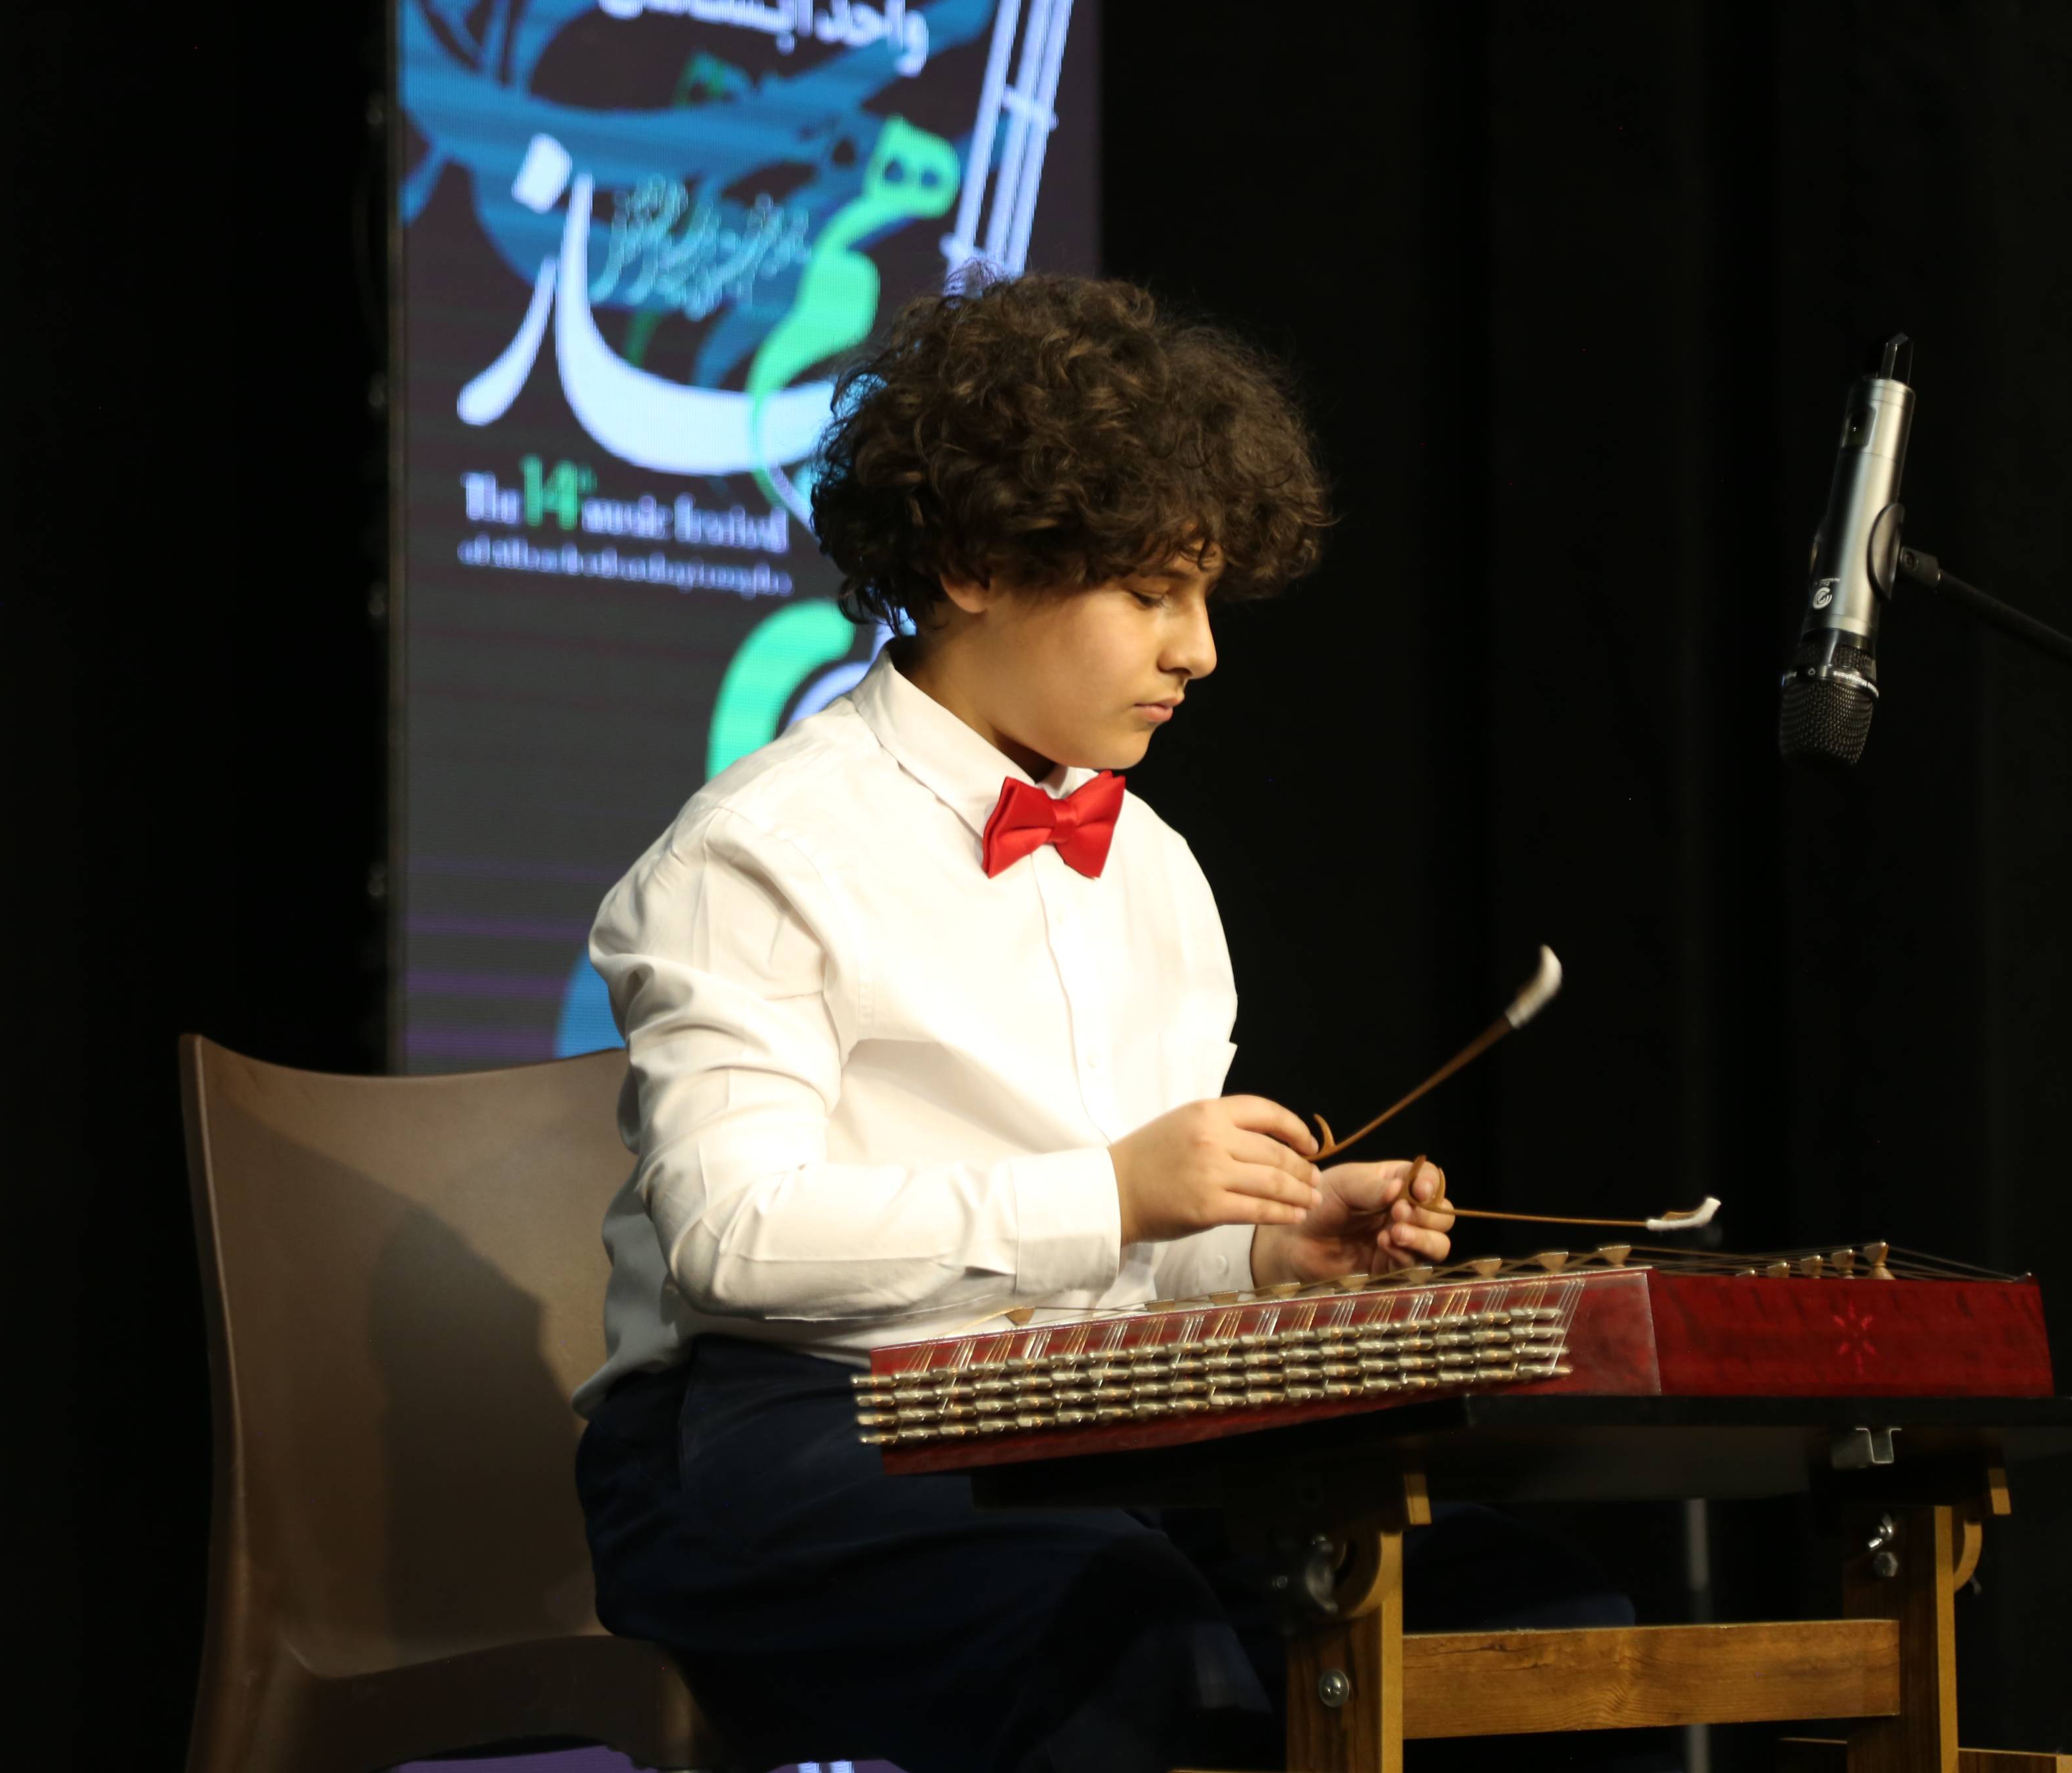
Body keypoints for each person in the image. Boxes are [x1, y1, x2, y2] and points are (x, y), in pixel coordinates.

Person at [572, 274, 1656, 1772]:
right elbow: (731, 1240)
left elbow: (1131, 1264)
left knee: (1539, 1620)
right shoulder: (759, 852)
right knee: (1125, 1638)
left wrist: (1262, 1247)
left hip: (1086, 1427)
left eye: (1203, 598)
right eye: (1151, 595)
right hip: (777, 1431)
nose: (1199, 649)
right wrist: (1117, 1192)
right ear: (971, 564)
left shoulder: (1152, 867)